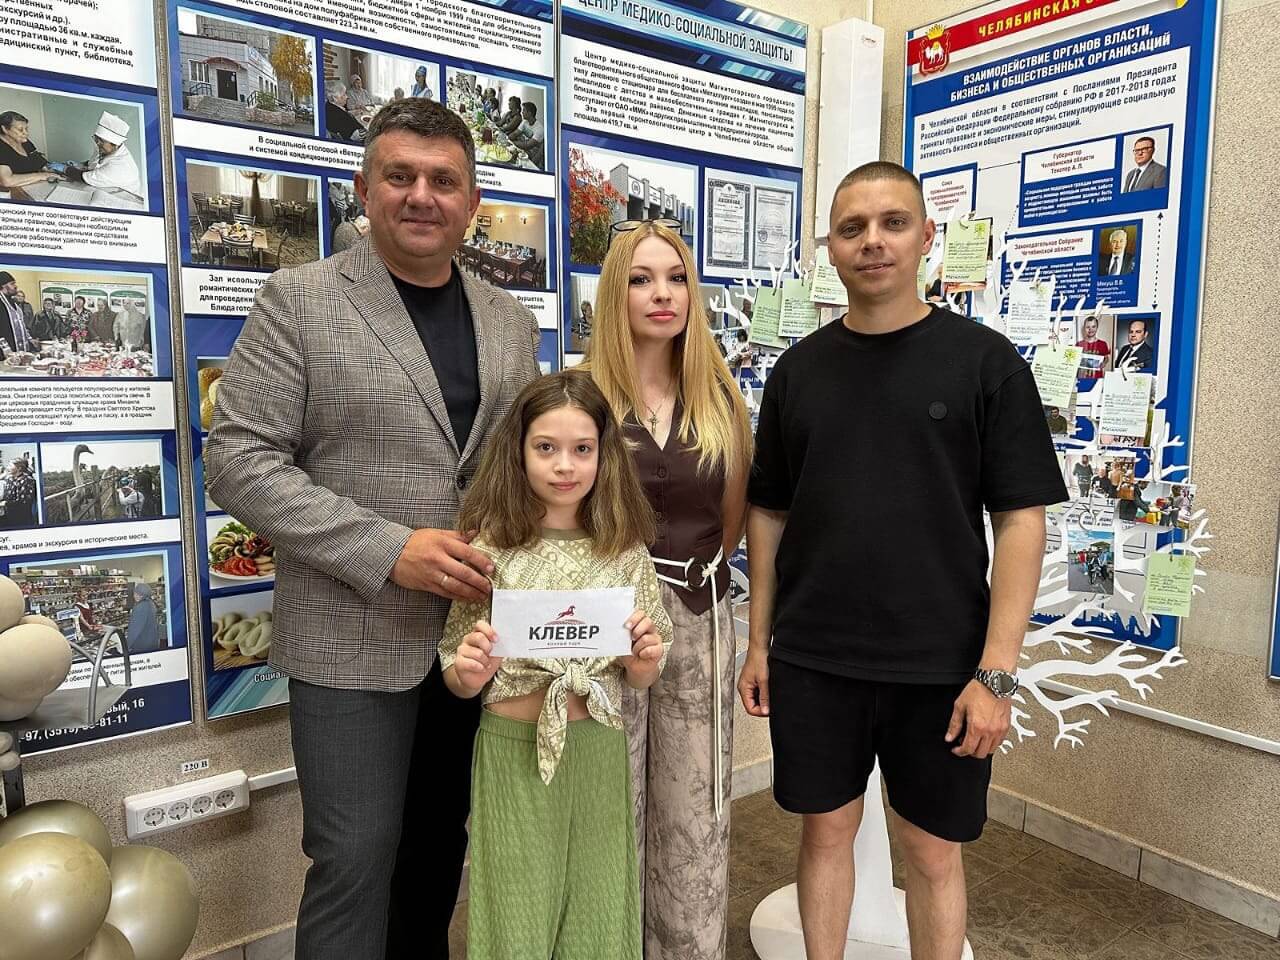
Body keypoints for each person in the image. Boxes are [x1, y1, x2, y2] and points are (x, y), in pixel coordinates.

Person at [203, 96, 541, 960]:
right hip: (350, 639)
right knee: (353, 862)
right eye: (400, 176)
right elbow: (237, 461)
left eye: (443, 181)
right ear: (364, 189)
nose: (421, 195)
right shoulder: (300, 300)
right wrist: (390, 550)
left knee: (438, 853)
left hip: (473, 640)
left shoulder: (510, 322)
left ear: (473, 202)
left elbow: (520, 468)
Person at [737, 161, 1067, 960]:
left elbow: (1020, 521)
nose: (872, 241)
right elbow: (768, 512)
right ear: (830, 247)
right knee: (825, 835)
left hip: (942, 665)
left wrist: (997, 673)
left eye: (892, 223)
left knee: (931, 852)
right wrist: (759, 643)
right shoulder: (798, 372)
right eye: (852, 228)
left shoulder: (986, 364)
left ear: (926, 236)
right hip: (815, 656)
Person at [439, 371, 673, 960]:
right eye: (546, 447)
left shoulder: (624, 550)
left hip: (598, 747)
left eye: (582, 449)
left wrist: (643, 658)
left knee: (598, 904)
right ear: (518, 452)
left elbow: (643, 673)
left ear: (604, 455)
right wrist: (469, 672)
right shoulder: (490, 549)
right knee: (515, 905)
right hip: (513, 747)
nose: (564, 465)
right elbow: (457, 672)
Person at [582, 221, 752, 960]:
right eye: (642, 279)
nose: (663, 294)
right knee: (608, 810)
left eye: (677, 278)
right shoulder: (583, 397)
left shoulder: (720, 400)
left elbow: (733, 520)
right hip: (605, 632)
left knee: (694, 813)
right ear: (614, 294)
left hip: (698, 620)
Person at [64, 112, 144, 209]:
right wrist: (81, 164)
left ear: (115, 144)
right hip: (106, 190)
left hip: (126, 200)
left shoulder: (120, 166)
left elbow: (85, 178)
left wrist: (64, 169)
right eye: (96, 139)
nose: (97, 144)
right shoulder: (104, 148)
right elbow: (95, 161)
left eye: (101, 142)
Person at [0, 110, 62, 192]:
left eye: (26, 129)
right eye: (20, 130)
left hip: (34, 186)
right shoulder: (2, 148)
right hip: (14, 192)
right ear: (4, 129)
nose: (26, 133)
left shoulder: (23, 141)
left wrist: (59, 169)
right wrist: (42, 175)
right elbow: (7, 181)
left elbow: (39, 162)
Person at [124, 581, 163, 653]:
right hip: (152, 642)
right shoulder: (151, 603)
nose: (134, 596)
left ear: (140, 595)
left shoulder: (139, 608)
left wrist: (127, 646)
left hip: (141, 645)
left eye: (136, 593)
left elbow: (134, 630)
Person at [0, 271, 32, 353]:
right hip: (5, 354)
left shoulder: (14, 304)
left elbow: (22, 326)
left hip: (18, 353)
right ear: (3, 285)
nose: (15, 286)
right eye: (12, 284)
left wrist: (30, 340)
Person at [0, 457, 36, 528]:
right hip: (7, 517)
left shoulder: (28, 481)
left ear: (19, 468)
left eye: (10, 465)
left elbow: (24, 501)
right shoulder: (9, 479)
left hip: (21, 519)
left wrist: (6, 503)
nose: (7, 468)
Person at [510, 102, 545, 170]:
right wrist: (508, 138)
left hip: (532, 155)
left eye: (524, 110)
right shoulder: (525, 122)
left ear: (529, 113)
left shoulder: (540, 129)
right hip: (522, 150)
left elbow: (527, 145)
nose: (522, 112)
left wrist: (513, 143)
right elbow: (515, 133)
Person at [1075, 315, 1110, 379]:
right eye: (1088, 327)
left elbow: (1106, 358)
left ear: (1097, 327)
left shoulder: (1103, 344)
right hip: (1082, 378)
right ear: (1084, 328)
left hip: (1097, 378)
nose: (1090, 329)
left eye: (1093, 326)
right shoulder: (1078, 344)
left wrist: (1104, 363)